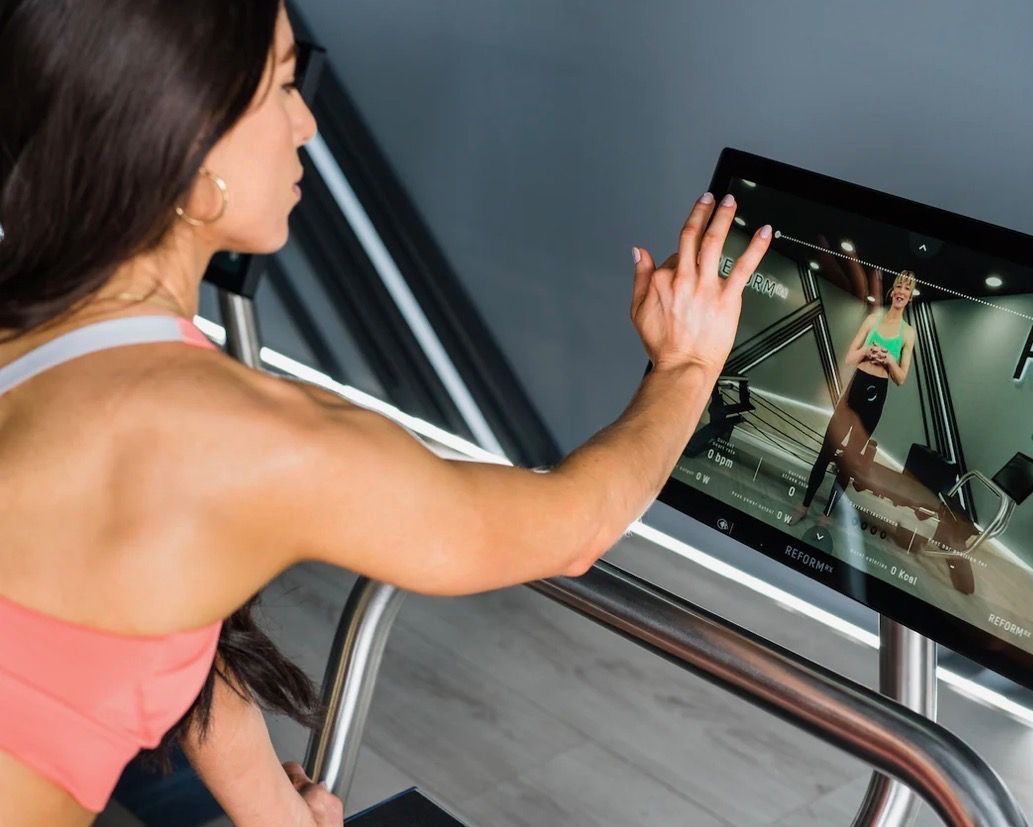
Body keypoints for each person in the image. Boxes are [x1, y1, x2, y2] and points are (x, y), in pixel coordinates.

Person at [0, 2, 773, 824]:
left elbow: (162, 615)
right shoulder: (244, 438)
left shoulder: (36, 323)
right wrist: (686, 368)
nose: (305, 123)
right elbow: (571, 529)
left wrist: (274, 813)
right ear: (187, 155)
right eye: (283, 87)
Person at [790, 271, 917, 525]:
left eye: (908, 289)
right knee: (826, 451)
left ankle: (826, 515)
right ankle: (803, 506)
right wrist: (868, 351)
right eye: (900, 286)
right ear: (893, 291)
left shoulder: (908, 333)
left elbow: (901, 378)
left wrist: (889, 359)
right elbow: (850, 358)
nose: (902, 291)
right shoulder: (873, 319)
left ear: (910, 297)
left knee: (849, 459)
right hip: (855, 388)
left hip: (875, 396)